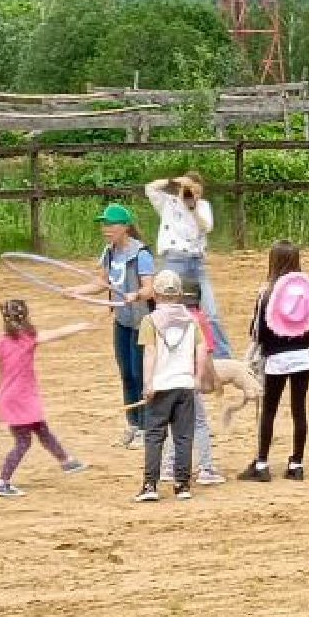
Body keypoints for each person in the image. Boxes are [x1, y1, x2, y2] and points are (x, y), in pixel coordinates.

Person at [0, 299, 93, 497]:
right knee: (24, 442)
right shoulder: (30, 337)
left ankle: (66, 461)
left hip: (11, 398)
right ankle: (1, 481)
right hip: (22, 398)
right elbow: (58, 334)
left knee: (42, 430)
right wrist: (81, 326)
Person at [73, 204, 155, 447]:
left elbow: (150, 288)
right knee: (126, 374)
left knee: (140, 374)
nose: (105, 229)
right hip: (122, 320)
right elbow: (103, 283)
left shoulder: (141, 254)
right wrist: (75, 291)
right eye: (104, 225)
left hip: (142, 322)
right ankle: (132, 424)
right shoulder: (109, 252)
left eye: (110, 225)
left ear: (125, 227)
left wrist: (136, 295)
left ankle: (145, 427)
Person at [239, 240, 309, 482]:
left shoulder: (267, 292)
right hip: (303, 356)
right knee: (299, 409)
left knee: (269, 411)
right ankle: (297, 463)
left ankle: (261, 463)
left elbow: (257, 330)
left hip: (276, 358)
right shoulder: (306, 290)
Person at [136, 270, 205, 503]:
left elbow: (150, 354)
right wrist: (198, 379)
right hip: (184, 385)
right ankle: (182, 484)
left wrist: (148, 384)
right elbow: (202, 351)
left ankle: (150, 485)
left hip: (161, 386)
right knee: (183, 437)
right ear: (179, 295)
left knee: (155, 436)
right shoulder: (191, 320)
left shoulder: (150, 321)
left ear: (154, 294)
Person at [146, 173, 231, 359]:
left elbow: (206, 226)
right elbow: (150, 188)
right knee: (168, 310)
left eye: (198, 192)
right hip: (174, 260)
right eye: (192, 191)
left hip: (196, 262)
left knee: (211, 313)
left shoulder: (203, 207)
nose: (195, 195)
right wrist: (173, 181)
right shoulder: (168, 203)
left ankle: (223, 357)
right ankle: (164, 354)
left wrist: (193, 208)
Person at [153, 274, 226, 486]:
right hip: (188, 379)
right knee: (199, 423)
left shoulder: (165, 317)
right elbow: (206, 351)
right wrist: (210, 379)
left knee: (173, 423)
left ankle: (167, 465)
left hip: (167, 377)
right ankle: (205, 467)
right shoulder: (198, 319)